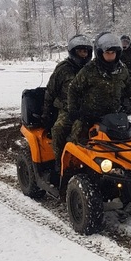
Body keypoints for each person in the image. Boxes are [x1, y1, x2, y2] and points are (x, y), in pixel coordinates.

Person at [66, 31, 131, 143]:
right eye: (107, 52)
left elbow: (129, 86)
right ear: (100, 53)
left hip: (113, 115)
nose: (111, 55)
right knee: (77, 140)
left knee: (126, 140)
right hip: (89, 116)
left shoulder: (122, 69)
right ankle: (62, 160)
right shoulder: (89, 69)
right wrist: (73, 110)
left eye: (113, 52)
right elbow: (73, 88)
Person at [41, 34, 93, 166]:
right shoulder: (63, 69)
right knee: (59, 129)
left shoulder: (92, 69)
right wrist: (46, 114)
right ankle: (60, 163)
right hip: (67, 109)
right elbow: (50, 91)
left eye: (85, 51)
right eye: (80, 51)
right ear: (73, 52)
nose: (83, 54)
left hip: (90, 108)